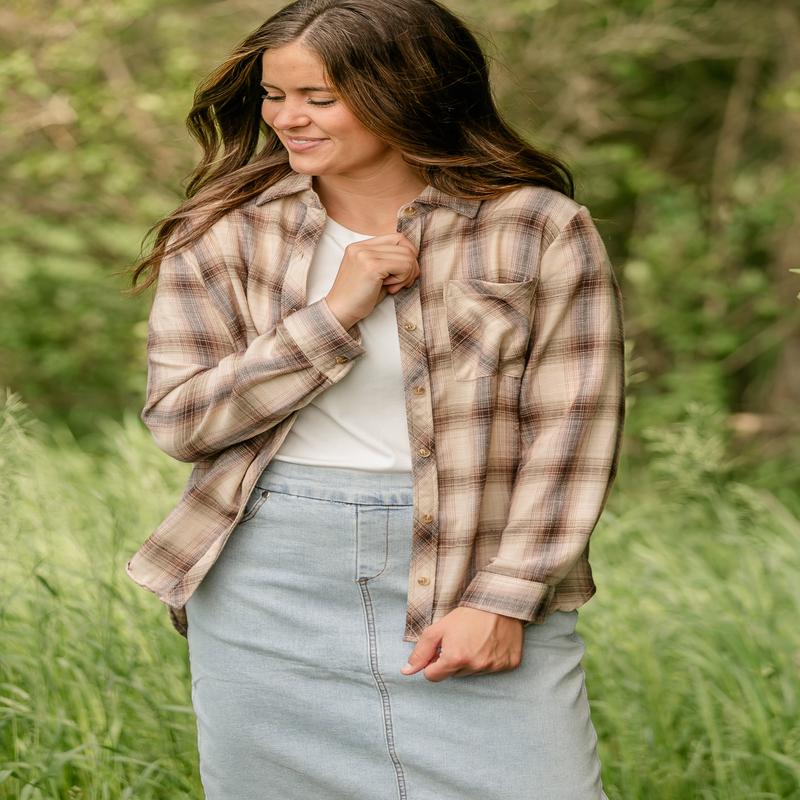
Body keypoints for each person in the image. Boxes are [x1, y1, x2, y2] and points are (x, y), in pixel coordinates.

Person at [126, 0, 625, 797]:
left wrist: (505, 597)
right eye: (275, 95)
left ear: (407, 91)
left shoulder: (536, 229)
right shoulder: (224, 231)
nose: (290, 119)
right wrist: (333, 315)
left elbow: (573, 433)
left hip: (468, 567)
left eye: (319, 99)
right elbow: (182, 420)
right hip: (269, 582)